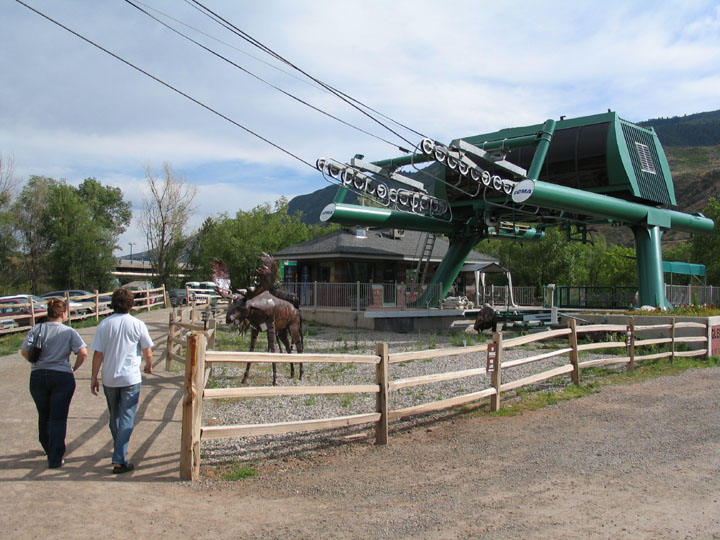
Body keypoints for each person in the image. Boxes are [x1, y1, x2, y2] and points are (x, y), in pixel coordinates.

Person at [91, 288, 154, 474]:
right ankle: (119, 458)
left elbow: (98, 354)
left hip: (110, 377)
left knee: (114, 416)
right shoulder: (137, 324)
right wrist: (149, 365)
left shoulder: (104, 325)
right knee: (127, 416)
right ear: (131, 304)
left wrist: (94, 376)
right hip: (131, 378)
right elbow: (147, 351)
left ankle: (119, 448)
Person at [21, 298, 88, 469]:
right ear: (64, 313)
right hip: (61, 375)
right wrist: (73, 368)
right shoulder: (69, 332)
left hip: (38, 376)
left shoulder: (37, 329)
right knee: (58, 418)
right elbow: (83, 353)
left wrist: (36, 362)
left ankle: (47, 445)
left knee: (43, 415)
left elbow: (24, 351)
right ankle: (55, 457)